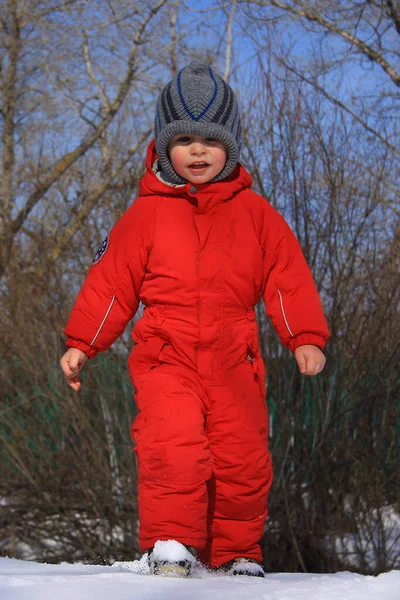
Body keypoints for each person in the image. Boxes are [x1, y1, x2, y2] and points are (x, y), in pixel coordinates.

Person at [60, 62, 329, 578]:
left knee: (242, 461)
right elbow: (112, 284)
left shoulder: (256, 215)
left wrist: (304, 336)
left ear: (230, 145)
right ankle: (171, 547)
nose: (198, 151)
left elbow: (285, 277)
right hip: (167, 356)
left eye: (210, 140)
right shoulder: (145, 215)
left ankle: (236, 554)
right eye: (183, 139)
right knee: (172, 446)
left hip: (236, 359)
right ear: (164, 147)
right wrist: (84, 343)